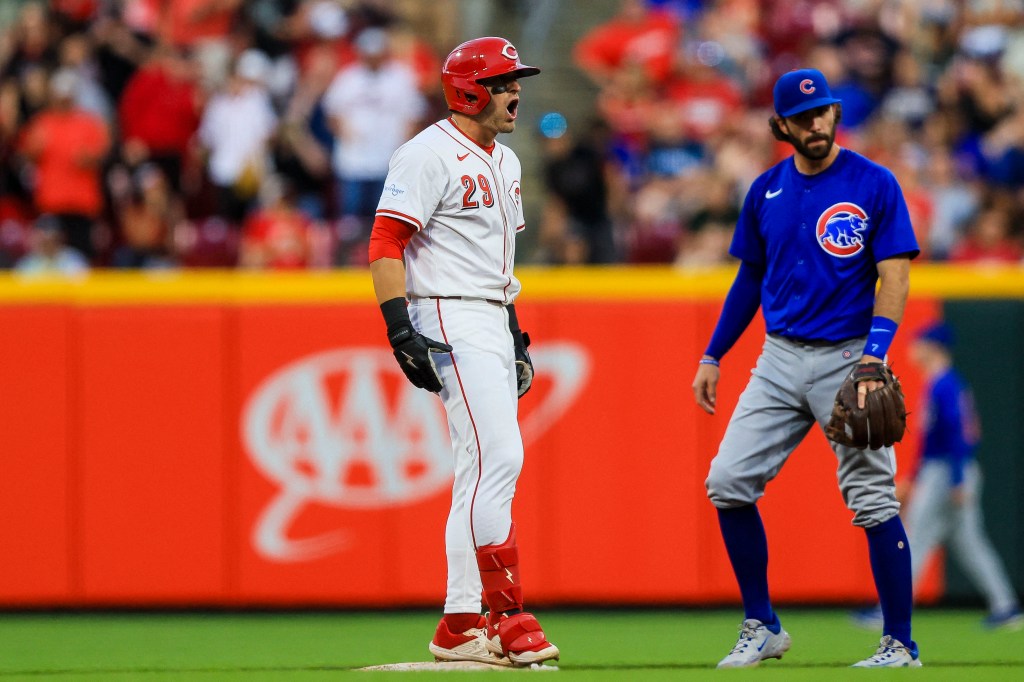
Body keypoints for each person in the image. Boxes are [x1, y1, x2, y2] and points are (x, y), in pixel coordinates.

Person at [691, 68, 922, 668]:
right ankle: (762, 624)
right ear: (781, 126)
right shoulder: (767, 188)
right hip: (779, 355)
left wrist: (877, 352)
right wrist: (713, 352)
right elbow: (749, 278)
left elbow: (894, 273)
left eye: (824, 113)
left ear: (835, 115)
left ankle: (900, 642)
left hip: (850, 355)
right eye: (803, 117)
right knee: (727, 482)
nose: (816, 123)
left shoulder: (873, 181)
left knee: (873, 499)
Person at [368, 36, 559, 668]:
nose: (515, 92)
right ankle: (508, 615)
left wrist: (514, 331)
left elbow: (497, 261)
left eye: (515, 81)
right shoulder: (426, 153)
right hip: (445, 308)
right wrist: (399, 327)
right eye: (504, 82)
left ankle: (458, 621)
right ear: (469, 89)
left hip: (488, 311)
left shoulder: (507, 161)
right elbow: (385, 242)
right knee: (502, 455)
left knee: (479, 469)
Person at [854, 322, 1022, 631]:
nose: (912, 349)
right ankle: (1006, 607)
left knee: (914, 537)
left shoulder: (945, 384)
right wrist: (915, 478)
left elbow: (958, 435)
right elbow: (931, 440)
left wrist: (957, 479)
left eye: (918, 343)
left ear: (932, 347)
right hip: (944, 469)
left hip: (947, 469)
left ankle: (888, 610)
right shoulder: (940, 383)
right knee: (969, 542)